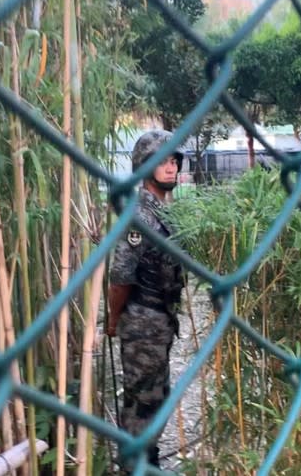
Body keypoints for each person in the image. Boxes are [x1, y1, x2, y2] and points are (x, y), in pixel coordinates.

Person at [106, 129, 186, 471]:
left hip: (160, 322)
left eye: (173, 161)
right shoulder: (140, 216)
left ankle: (145, 462)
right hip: (143, 322)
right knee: (142, 402)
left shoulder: (165, 212)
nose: (170, 169)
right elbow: (121, 276)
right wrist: (113, 319)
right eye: (162, 162)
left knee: (155, 399)